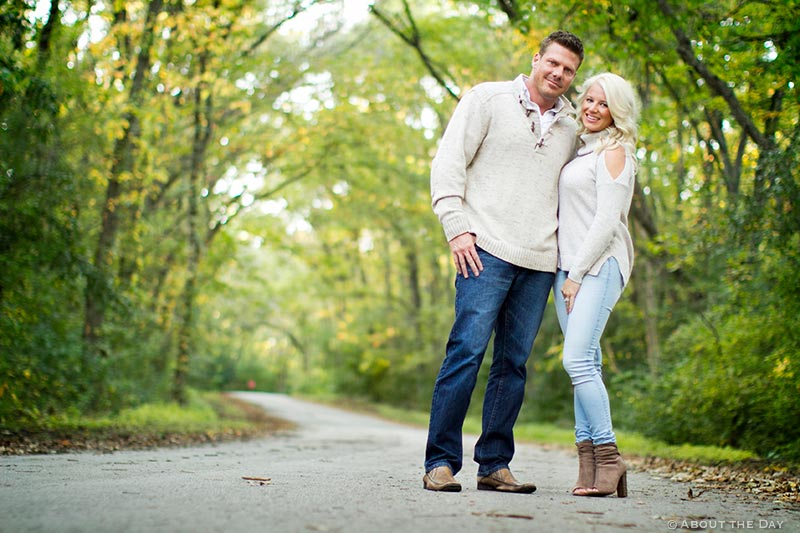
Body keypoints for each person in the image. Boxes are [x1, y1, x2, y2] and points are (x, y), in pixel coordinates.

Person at [423, 30, 585, 493]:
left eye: (568, 69)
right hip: (484, 248)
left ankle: (494, 464)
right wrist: (456, 226)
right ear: (536, 59)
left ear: (574, 76)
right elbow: (448, 163)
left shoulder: (573, 127)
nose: (557, 73)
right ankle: (440, 462)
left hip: (539, 259)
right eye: (552, 62)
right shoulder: (487, 99)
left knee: (513, 363)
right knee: (467, 352)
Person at [553, 72, 640, 498]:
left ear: (616, 112)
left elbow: (607, 222)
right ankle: (588, 466)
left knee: (578, 363)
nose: (591, 108)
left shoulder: (616, 151)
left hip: (597, 267)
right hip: (568, 268)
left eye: (603, 104)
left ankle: (609, 457)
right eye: (588, 99)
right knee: (586, 363)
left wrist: (576, 275)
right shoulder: (584, 151)